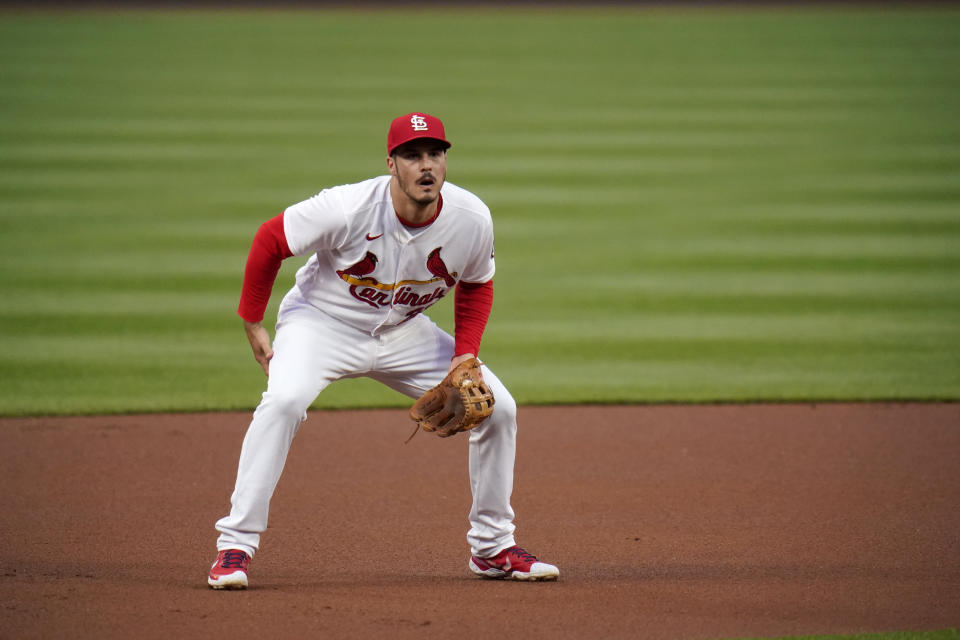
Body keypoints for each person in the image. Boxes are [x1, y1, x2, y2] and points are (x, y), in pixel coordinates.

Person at [207, 112, 559, 589]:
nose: (426, 165)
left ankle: (492, 547)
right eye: (412, 156)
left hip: (404, 332)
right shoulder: (347, 207)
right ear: (391, 163)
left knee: (499, 410)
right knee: (284, 402)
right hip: (320, 324)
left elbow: (477, 285)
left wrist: (465, 354)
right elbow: (271, 239)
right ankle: (235, 548)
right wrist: (252, 321)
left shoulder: (471, 219)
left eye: (435, 153)